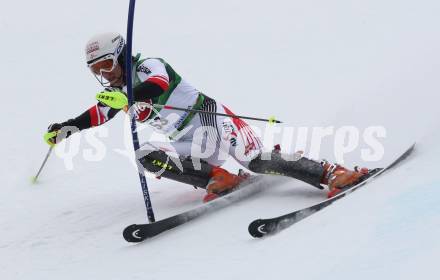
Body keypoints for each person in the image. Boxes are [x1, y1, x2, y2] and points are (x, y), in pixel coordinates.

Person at [45, 32, 372, 202]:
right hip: (189, 141)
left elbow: (157, 86)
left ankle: (332, 172)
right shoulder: (115, 94)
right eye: (95, 70)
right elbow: (96, 115)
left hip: (212, 120)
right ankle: (221, 178)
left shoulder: (148, 66)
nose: (103, 74)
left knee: (255, 161)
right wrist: (66, 128)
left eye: (106, 65)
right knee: (146, 155)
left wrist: (128, 98)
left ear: (119, 56)